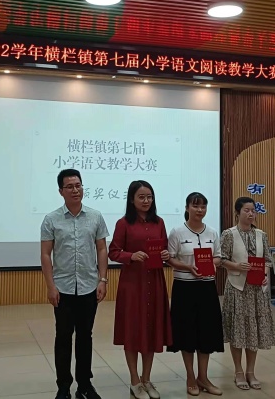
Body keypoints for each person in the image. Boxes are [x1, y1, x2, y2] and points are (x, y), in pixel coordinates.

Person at [41, 169, 109, 399]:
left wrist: (102, 279)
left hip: (89, 286)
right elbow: (45, 254)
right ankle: (63, 386)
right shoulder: (51, 219)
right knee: (63, 337)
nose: (75, 190)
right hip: (63, 288)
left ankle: (84, 385)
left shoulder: (95, 216)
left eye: (78, 185)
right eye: (69, 186)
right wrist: (51, 286)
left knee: (85, 337)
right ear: (61, 191)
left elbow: (102, 249)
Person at [109, 180, 171, 399]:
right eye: (141, 197)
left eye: (149, 197)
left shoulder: (159, 222)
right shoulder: (123, 223)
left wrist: (166, 255)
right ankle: (135, 381)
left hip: (155, 282)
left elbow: (164, 249)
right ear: (132, 199)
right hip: (133, 285)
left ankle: (147, 379)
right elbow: (113, 252)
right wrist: (131, 256)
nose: (146, 201)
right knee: (133, 331)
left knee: (151, 330)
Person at [167, 192, 224, 396]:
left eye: (203, 207)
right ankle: (190, 377)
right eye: (195, 206)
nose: (200, 210)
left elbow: (218, 257)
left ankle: (203, 377)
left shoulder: (213, 233)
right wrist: (188, 267)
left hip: (207, 288)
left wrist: (210, 264)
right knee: (187, 333)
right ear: (187, 208)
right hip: (184, 287)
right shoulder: (177, 232)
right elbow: (170, 259)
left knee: (206, 332)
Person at [219, 196, 275, 391]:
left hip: (257, 290)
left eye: (253, 210)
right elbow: (221, 260)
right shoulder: (229, 234)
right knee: (238, 330)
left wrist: (265, 274)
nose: (251, 214)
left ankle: (251, 371)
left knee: (254, 330)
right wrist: (236, 265)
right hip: (237, 288)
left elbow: (267, 260)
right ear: (238, 213)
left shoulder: (261, 235)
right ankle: (238, 371)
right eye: (246, 210)